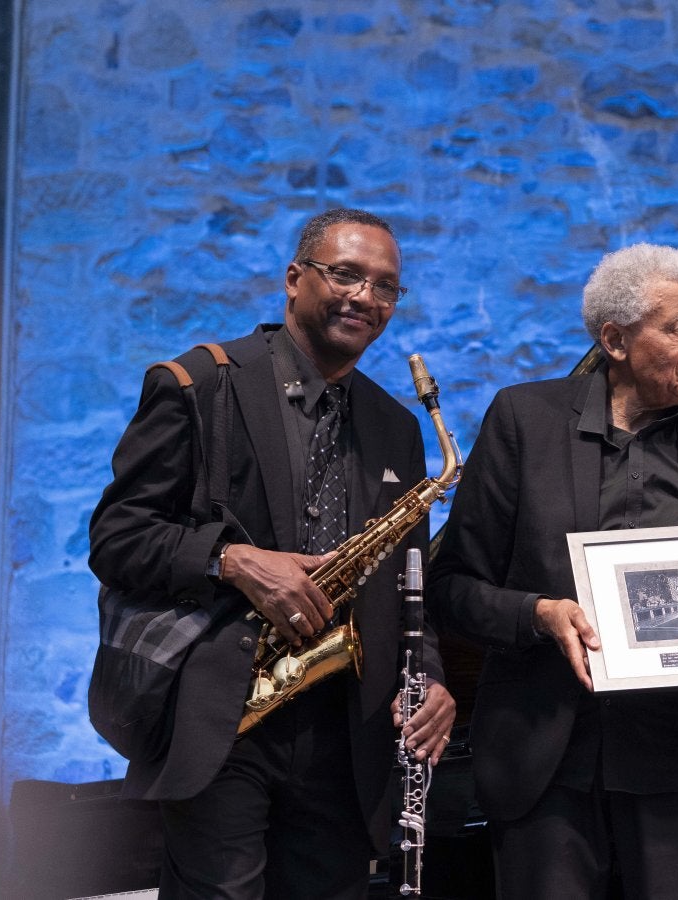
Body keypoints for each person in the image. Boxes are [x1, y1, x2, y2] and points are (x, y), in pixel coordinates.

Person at [428, 242, 678, 899]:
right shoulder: (523, 421)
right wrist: (538, 614)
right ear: (614, 340)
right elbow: (452, 590)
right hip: (545, 760)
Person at [89, 208, 455, 899]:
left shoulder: (396, 428)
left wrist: (428, 676)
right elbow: (117, 537)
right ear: (294, 278)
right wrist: (235, 559)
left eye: (385, 287)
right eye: (345, 274)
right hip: (225, 719)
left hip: (344, 737)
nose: (366, 298)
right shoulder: (200, 383)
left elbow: (412, 592)